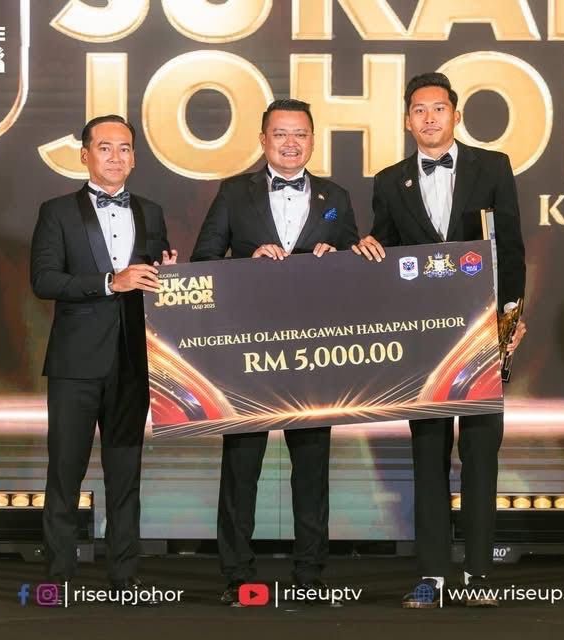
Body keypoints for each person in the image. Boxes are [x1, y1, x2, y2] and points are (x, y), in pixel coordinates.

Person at [352, 73, 527, 608]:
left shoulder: (492, 166)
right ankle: (431, 576)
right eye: (419, 110)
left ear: (456, 115)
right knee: (427, 457)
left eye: (439, 109)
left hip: (481, 335)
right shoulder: (389, 180)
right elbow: (387, 251)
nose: (429, 118)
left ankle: (477, 577)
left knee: (480, 455)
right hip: (423, 344)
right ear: (407, 120)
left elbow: (512, 249)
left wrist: (510, 323)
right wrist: (369, 247)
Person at [191, 98, 359, 606]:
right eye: (280, 134)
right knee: (241, 466)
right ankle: (237, 574)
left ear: (313, 140)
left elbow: (359, 265)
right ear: (263, 139)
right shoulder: (233, 193)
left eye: (300, 134)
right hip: (249, 352)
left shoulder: (337, 196)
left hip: (314, 353)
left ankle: (310, 573)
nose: (291, 143)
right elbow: (202, 261)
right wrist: (247, 258)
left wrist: (339, 257)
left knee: (312, 467)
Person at [30, 114, 177, 589]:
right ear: (85, 155)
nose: (117, 157)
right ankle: (60, 575)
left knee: (125, 475)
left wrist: (169, 273)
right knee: (65, 473)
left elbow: (155, 277)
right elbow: (44, 280)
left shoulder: (151, 211)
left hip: (133, 362)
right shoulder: (56, 211)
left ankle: (125, 576)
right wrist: (110, 283)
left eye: (126, 148)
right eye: (107, 147)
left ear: (135, 156)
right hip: (75, 364)